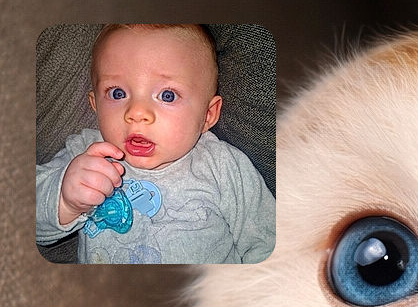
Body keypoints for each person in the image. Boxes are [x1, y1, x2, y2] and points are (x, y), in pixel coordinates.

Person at [35, 23, 274, 264]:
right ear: (95, 104)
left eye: (167, 95)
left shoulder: (222, 166)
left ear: (208, 115)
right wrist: (64, 199)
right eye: (117, 93)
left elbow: (267, 243)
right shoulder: (85, 154)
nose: (137, 112)